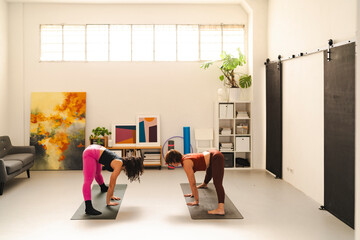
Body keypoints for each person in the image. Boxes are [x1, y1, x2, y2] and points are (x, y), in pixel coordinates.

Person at [82, 144, 144, 215]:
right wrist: (108, 202)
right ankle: (88, 208)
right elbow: (112, 184)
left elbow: (112, 184)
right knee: (88, 180)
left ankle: (103, 188)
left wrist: (111, 195)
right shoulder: (118, 165)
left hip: (96, 149)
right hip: (90, 153)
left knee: (97, 173)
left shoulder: (121, 163)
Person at [165, 149, 225, 215]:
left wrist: (196, 201)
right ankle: (204, 184)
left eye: (171, 163)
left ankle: (221, 209)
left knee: (217, 183)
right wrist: (193, 193)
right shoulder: (184, 157)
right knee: (209, 171)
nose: (171, 164)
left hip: (216, 157)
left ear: (174, 160)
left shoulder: (186, 163)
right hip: (212, 154)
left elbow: (193, 183)